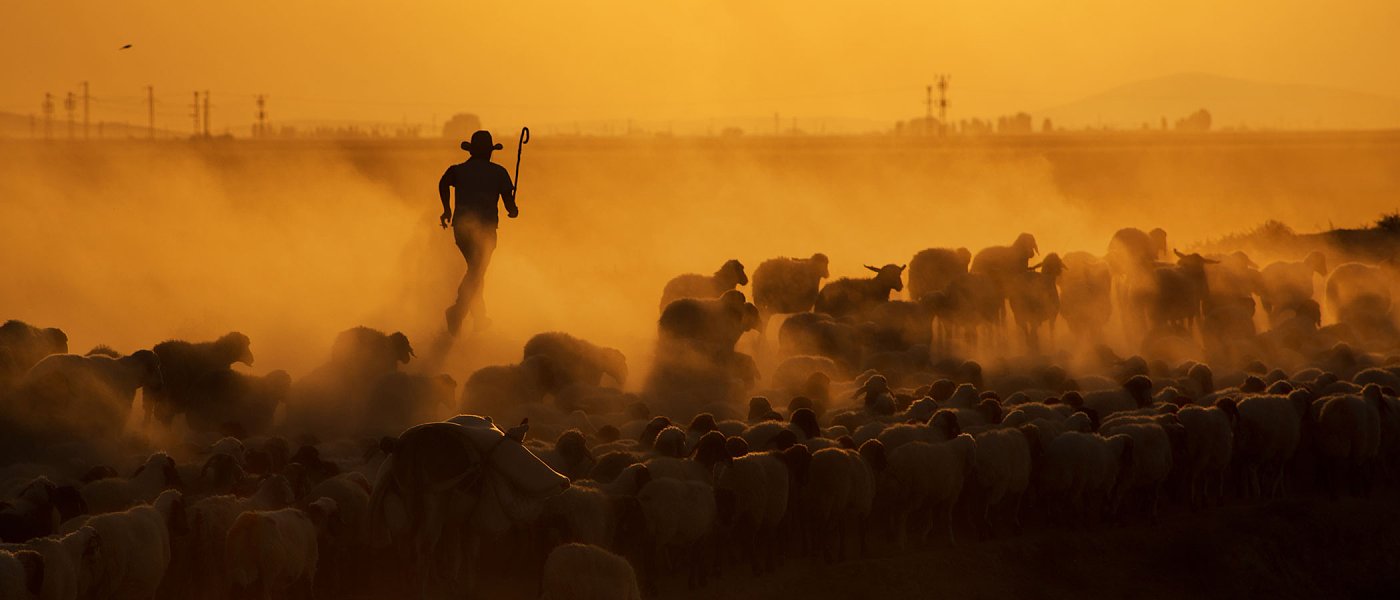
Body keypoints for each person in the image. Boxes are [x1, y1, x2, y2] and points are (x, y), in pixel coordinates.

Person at [439, 130, 517, 335]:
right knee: (477, 272)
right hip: (486, 231)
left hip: (461, 230)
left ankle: (479, 318)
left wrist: (447, 209)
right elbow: (510, 205)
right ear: (490, 151)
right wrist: (513, 210)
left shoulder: (459, 170)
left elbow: (443, 182)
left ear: (472, 151)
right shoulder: (499, 173)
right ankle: (457, 311)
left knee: (476, 272)